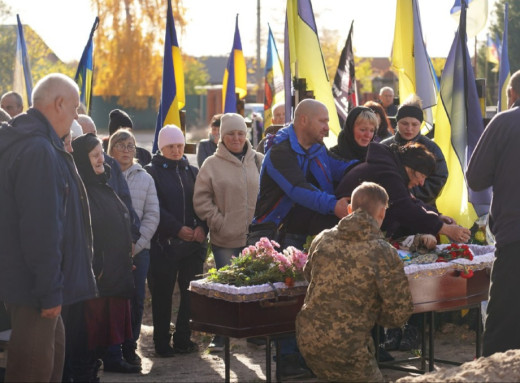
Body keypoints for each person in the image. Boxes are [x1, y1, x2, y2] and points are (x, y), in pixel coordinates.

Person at [0, 73, 97, 382]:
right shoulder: (38, 150)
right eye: (75, 107)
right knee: (32, 371)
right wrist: (49, 291)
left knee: (49, 366)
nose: (76, 115)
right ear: (58, 104)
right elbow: (40, 229)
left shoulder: (36, 145)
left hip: (39, 288)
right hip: (36, 292)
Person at [248, 99, 354, 378]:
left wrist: (374, 161)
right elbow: (298, 190)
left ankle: (306, 355)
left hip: (308, 233)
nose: (328, 127)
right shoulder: (279, 154)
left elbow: (339, 169)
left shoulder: (318, 149)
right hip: (276, 235)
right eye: (323, 121)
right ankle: (286, 359)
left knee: (311, 298)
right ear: (303, 120)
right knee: (287, 298)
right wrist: (335, 206)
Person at [296, 182, 414, 382]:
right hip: (348, 346)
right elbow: (398, 314)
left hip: (308, 337)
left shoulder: (323, 238)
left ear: (349, 210)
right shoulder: (382, 251)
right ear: (382, 214)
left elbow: (309, 276)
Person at [193, 113, 263, 352]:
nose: (236, 138)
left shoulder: (258, 161)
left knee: (254, 287)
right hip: (225, 239)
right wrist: (217, 221)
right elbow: (201, 200)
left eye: (240, 133)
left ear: (246, 135)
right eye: (230, 134)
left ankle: (254, 332)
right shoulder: (211, 165)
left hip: (254, 238)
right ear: (221, 137)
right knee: (226, 288)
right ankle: (221, 335)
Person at [72, 133, 137, 375]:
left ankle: (112, 358)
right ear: (82, 159)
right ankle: (90, 368)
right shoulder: (83, 191)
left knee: (112, 321)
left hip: (115, 268)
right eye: (96, 155)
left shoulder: (103, 184)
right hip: (99, 274)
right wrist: (98, 267)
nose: (102, 159)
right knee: (95, 326)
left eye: (102, 153)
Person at [467, 70, 520, 357]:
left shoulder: (505, 121)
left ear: (511, 95)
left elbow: (476, 179)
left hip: (515, 241)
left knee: (503, 330)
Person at [146, 125, 208, 357]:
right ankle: (161, 341)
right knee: (162, 295)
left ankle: (183, 338)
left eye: (179, 145)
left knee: (191, 293)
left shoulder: (192, 171)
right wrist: (176, 228)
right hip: (164, 246)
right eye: (170, 146)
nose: (175, 150)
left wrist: (202, 227)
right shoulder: (151, 172)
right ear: (161, 147)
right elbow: (154, 207)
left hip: (193, 245)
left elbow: (204, 202)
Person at [336, 142, 470, 242]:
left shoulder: (394, 169)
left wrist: (438, 215)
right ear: (410, 168)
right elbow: (405, 208)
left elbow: (411, 200)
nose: (422, 183)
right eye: (421, 176)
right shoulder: (389, 173)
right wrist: (446, 229)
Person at [105, 129, 160, 367]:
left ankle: (130, 346)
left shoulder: (145, 177)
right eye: (121, 145)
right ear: (111, 149)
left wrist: (135, 246)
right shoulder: (103, 175)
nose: (127, 151)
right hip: (110, 253)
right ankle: (111, 348)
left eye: (131, 146)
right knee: (113, 301)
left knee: (136, 299)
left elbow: (152, 215)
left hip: (140, 251)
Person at [381, 97, 448, 206]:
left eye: (414, 124)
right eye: (404, 123)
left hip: (422, 206)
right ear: (397, 123)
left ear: (420, 124)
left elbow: (439, 178)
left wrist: (410, 194)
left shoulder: (432, 148)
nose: (409, 128)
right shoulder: (384, 147)